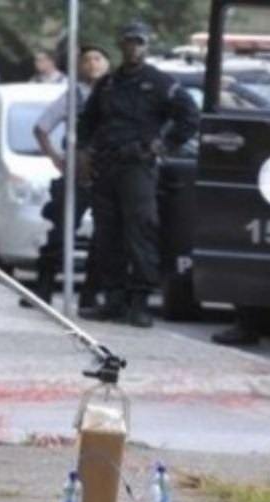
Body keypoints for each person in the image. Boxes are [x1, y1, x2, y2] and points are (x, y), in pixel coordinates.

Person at [78, 22, 199, 328]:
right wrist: (84, 152)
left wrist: (163, 144)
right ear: (121, 45)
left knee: (141, 232)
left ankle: (140, 302)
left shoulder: (159, 82)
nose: (134, 48)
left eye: (139, 42)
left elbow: (189, 116)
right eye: (129, 42)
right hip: (106, 166)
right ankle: (114, 300)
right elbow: (87, 120)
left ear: (146, 46)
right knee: (107, 235)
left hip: (138, 167)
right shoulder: (108, 84)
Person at [20, 44, 111, 309]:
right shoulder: (75, 95)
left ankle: (90, 294)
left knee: (105, 238)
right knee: (61, 233)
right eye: (87, 60)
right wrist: (56, 159)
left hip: (108, 173)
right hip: (77, 173)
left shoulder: (117, 92)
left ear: (107, 63)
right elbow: (42, 127)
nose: (92, 64)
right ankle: (43, 289)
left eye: (98, 58)